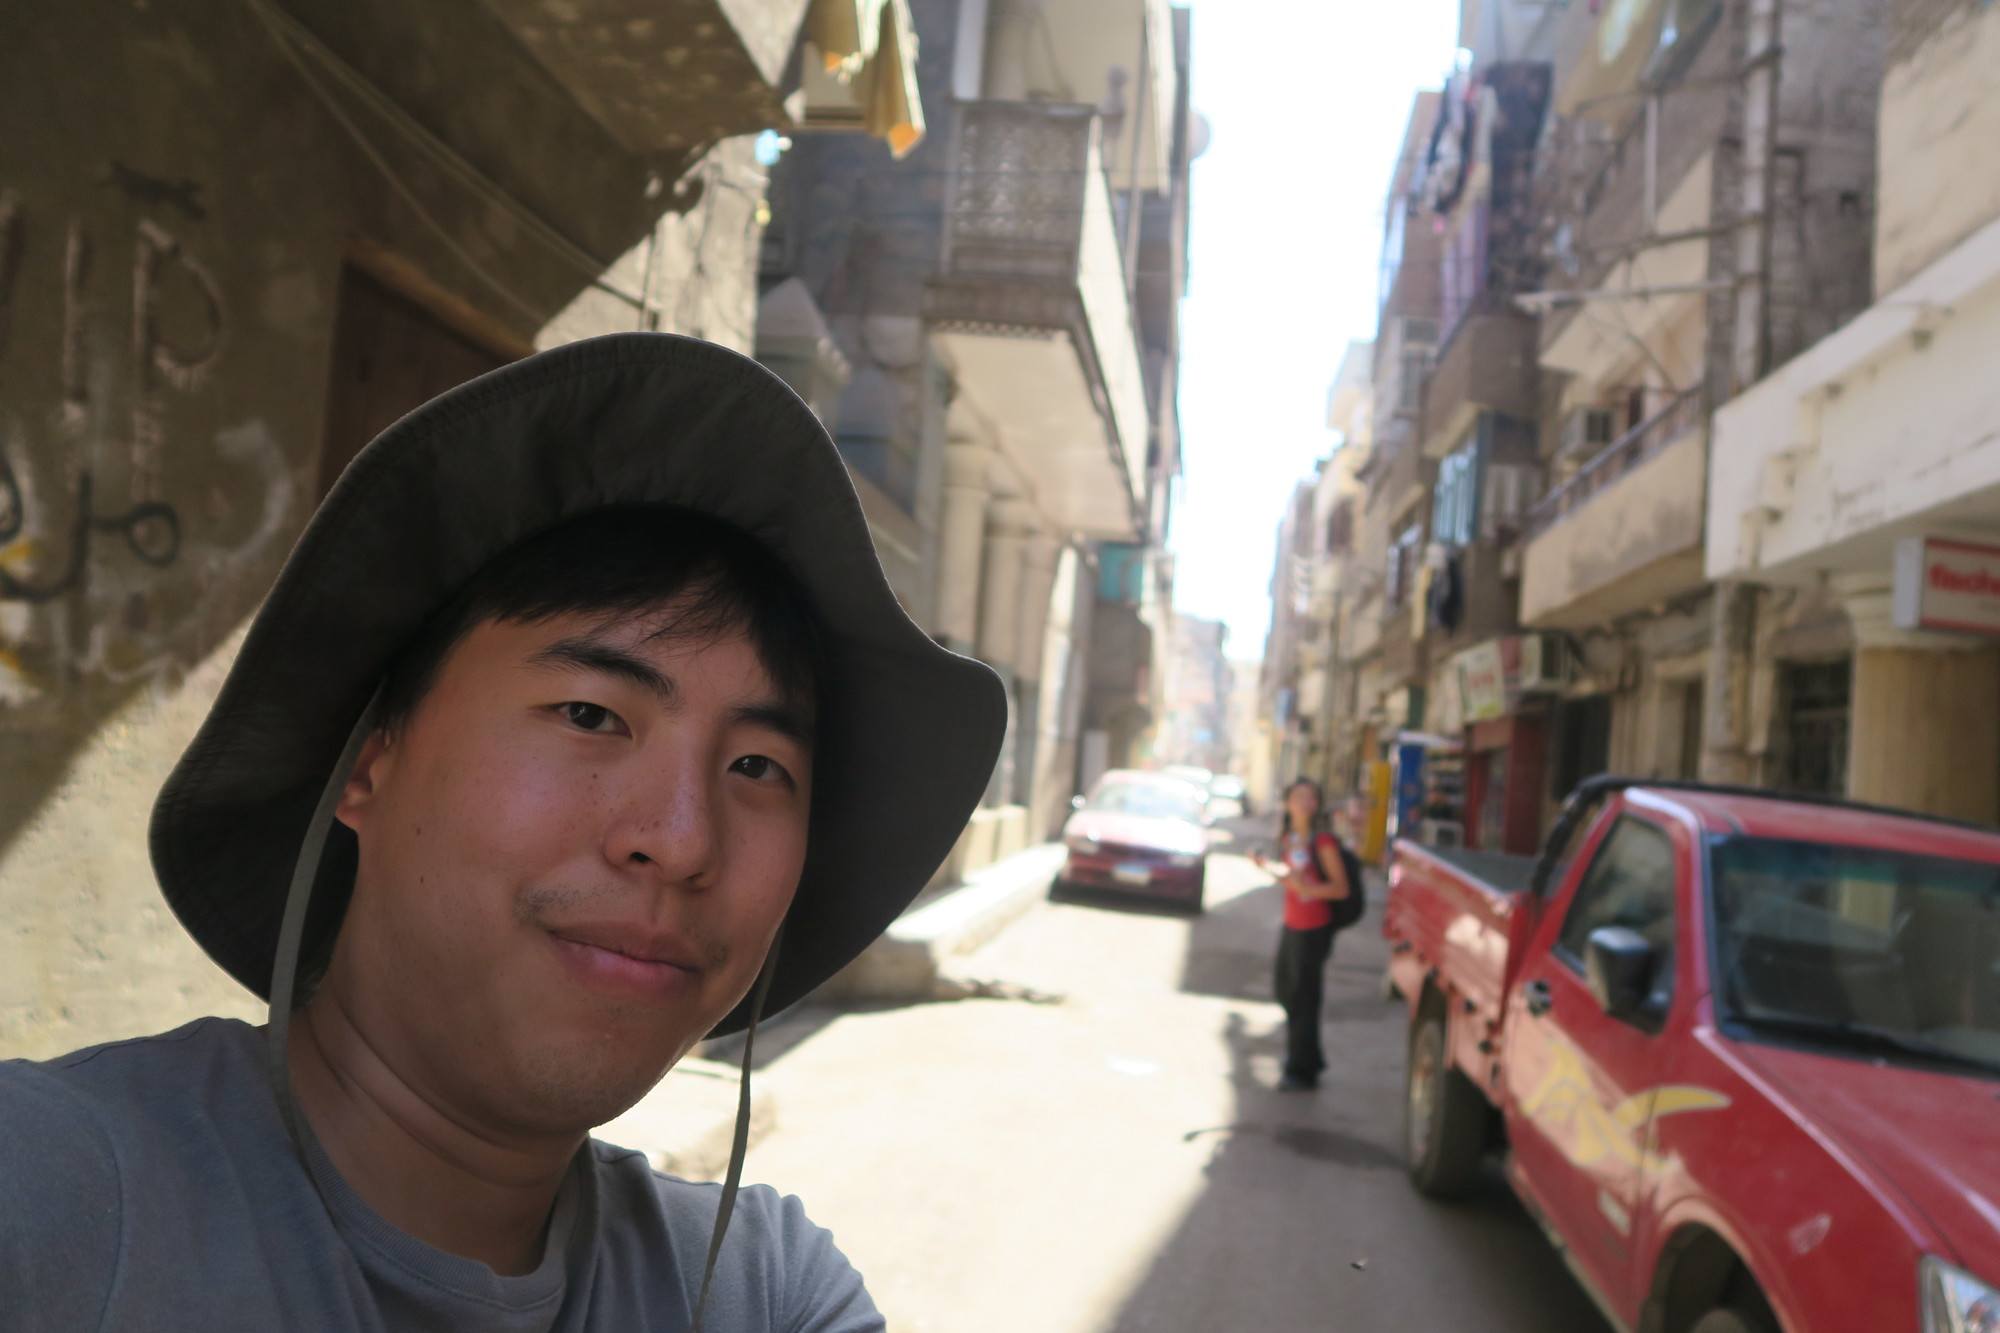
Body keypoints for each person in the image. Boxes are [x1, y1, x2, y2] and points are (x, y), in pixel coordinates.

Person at [0, 334, 1007, 1331]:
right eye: (590, 715)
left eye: (757, 767)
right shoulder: (47, 1201)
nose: (682, 840)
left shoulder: (765, 1292)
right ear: (367, 762)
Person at [1251, 777, 1356, 1092]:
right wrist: (1266, 867)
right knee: (1285, 991)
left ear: (1316, 804)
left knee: (1304, 999)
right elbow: (1292, 880)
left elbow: (1340, 889)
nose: (1305, 802)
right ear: (1287, 803)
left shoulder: (1322, 842)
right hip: (1293, 924)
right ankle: (1308, 1058)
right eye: (1298, 796)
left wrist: (1308, 888)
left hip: (1314, 928)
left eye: (1311, 797)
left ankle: (1301, 1070)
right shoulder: (1291, 838)